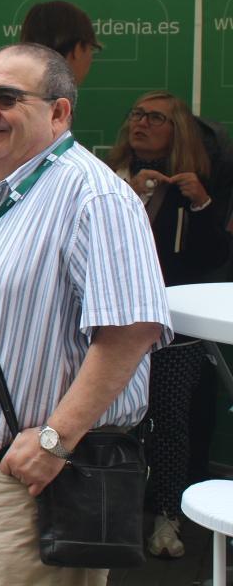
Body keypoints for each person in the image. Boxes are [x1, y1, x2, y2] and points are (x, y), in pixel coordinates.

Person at [0, 44, 172, 586]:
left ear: (59, 113)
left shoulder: (94, 196)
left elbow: (130, 332)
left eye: (8, 97)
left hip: (35, 486)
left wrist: (55, 440)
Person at [108, 91, 232, 558]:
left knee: (170, 422)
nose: (141, 123)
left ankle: (167, 518)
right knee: (113, 422)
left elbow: (214, 260)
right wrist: (133, 195)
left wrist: (202, 208)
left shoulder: (193, 188)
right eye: (136, 114)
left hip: (174, 332)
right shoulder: (108, 177)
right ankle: (111, 516)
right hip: (114, 329)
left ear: (176, 130)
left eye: (155, 117)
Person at [19, 0, 101, 84]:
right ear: (78, 49)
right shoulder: (57, 95)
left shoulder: (15, 93)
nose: (91, 58)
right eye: (91, 48)